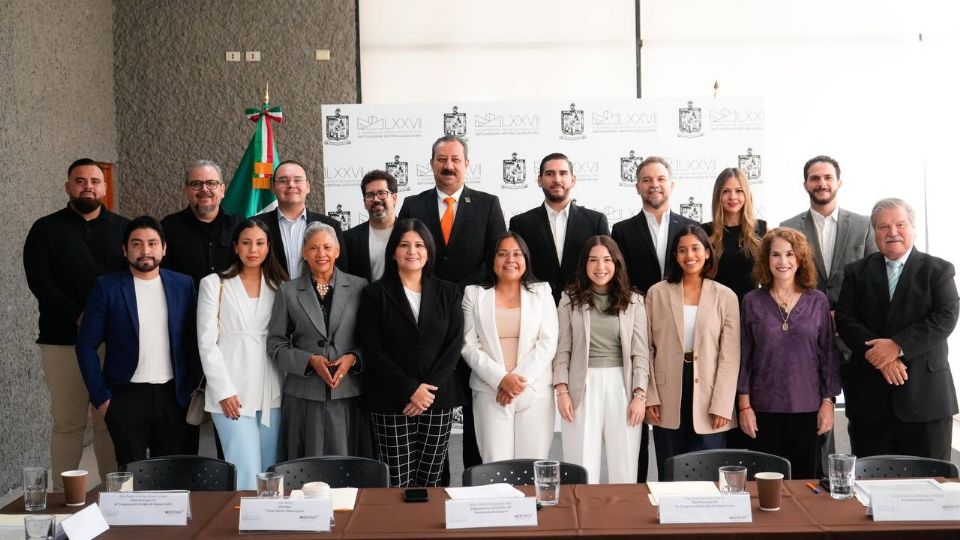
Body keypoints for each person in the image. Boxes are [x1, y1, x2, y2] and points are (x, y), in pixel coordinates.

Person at [396, 135, 506, 482]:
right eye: (441, 159)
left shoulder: (488, 204)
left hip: (474, 321)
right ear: (431, 164)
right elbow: (404, 255)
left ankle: (476, 480)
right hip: (427, 324)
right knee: (434, 405)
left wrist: (462, 295)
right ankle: (437, 483)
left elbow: (496, 262)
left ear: (467, 164)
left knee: (477, 405)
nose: (449, 166)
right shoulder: (414, 205)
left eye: (456, 159)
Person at [23, 158, 124, 489]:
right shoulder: (45, 229)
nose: (88, 186)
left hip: (112, 342)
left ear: (105, 187)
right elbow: (40, 281)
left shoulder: (124, 229)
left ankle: (114, 499)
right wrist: (77, 314)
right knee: (68, 424)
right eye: (80, 181)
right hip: (62, 339)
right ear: (68, 187)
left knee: (109, 421)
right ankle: (64, 499)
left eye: (95, 180)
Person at [836, 198, 959, 460]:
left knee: (931, 484)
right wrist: (882, 357)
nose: (892, 232)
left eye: (900, 224)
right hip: (870, 399)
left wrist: (897, 347)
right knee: (871, 486)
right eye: (883, 227)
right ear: (874, 233)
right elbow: (845, 319)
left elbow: (945, 317)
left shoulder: (937, 270)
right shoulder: (857, 272)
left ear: (913, 228)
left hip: (925, 398)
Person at [75, 216, 201, 467]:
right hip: (125, 397)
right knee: (130, 479)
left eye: (152, 243)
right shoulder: (106, 288)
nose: (145, 250)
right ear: (125, 250)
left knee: (174, 475)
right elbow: (86, 346)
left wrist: (191, 389)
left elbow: (194, 340)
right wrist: (102, 399)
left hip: (174, 396)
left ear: (164, 248)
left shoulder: (183, 285)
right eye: (137, 244)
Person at [780, 155, 876, 478]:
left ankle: (862, 484)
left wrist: (846, 316)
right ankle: (822, 486)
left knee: (862, 418)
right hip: (809, 345)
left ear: (839, 182)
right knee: (819, 422)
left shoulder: (864, 226)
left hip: (855, 343)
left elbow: (874, 281)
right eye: (814, 178)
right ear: (805, 183)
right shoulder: (789, 227)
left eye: (827, 178)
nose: (821, 183)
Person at [357, 219, 464, 487]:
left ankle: (428, 530)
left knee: (432, 479)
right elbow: (373, 348)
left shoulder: (448, 292)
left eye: (419, 245)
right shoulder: (374, 294)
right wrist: (409, 389)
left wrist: (426, 391)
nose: (412, 251)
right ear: (393, 251)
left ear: (428, 251)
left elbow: (453, 345)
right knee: (396, 480)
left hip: (436, 399)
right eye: (404, 245)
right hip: (391, 399)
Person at [610, 155, 696, 481]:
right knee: (640, 414)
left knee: (678, 418)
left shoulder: (691, 228)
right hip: (638, 328)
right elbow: (619, 280)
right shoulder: (621, 230)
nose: (654, 185)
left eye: (660, 179)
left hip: (682, 331)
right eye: (646, 179)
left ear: (671, 185)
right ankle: (639, 491)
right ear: (637, 187)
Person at [737, 228, 841, 479]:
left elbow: (828, 354)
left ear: (800, 259)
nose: (783, 262)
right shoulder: (752, 301)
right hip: (763, 410)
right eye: (776, 255)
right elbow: (743, 356)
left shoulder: (818, 301)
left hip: (808, 408)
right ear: (766, 260)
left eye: (789, 254)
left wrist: (828, 402)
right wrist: (744, 406)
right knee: (765, 487)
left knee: (806, 485)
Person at [197, 218, 288, 489]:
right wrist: (223, 390)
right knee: (245, 472)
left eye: (260, 243)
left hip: (272, 389)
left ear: (269, 247)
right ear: (235, 246)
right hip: (231, 391)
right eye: (246, 242)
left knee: (272, 472)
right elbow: (205, 341)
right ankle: (246, 527)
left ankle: (272, 527)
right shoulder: (214, 283)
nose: (253, 249)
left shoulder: (281, 285)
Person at [267, 222, 369, 460]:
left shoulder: (359, 286)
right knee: (306, 468)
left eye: (326, 247)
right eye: (313, 248)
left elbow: (373, 340)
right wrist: (309, 360)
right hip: (304, 394)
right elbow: (275, 344)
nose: (321, 254)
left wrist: (354, 358)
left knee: (348, 467)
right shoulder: (288, 291)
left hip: (348, 393)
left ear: (337, 251)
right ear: (304, 253)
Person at [645, 226, 739, 481]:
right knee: (670, 471)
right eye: (682, 250)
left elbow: (729, 357)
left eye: (696, 248)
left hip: (710, 394)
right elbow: (647, 349)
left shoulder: (725, 296)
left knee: (707, 474)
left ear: (707, 253)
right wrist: (650, 395)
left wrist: (723, 404)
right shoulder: (656, 293)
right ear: (675, 255)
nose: (690, 256)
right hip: (666, 393)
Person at [553, 236, 648, 484]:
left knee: (625, 465)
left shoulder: (634, 301)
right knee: (582, 464)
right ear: (585, 265)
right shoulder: (569, 299)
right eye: (593, 260)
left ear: (616, 263)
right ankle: (582, 519)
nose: (600, 267)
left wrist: (640, 396)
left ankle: (623, 520)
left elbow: (640, 353)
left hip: (622, 385)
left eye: (607, 260)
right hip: (581, 385)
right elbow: (562, 349)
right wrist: (561, 390)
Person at [461, 232, 558, 462]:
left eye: (517, 254)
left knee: (532, 467)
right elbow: (469, 345)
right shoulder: (474, 294)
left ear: (526, 258)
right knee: (495, 467)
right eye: (502, 254)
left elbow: (548, 342)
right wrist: (501, 379)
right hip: (490, 392)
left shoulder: (542, 292)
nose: (510, 260)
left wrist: (515, 382)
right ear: (492, 259)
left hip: (534, 391)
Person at [509, 153, 610, 305]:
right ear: (539, 180)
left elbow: (607, 266)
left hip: (585, 306)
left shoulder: (595, 221)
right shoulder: (521, 223)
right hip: (536, 307)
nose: (557, 179)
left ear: (573, 180)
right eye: (550, 174)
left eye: (563, 173)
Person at [161, 160, 243, 289]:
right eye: (196, 184)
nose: (204, 189)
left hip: (230, 306)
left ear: (222, 190)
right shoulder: (168, 227)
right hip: (187, 307)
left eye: (211, 183)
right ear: (186, 190)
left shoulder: (240, 226)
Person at [260, 160, 347, 279]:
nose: (291, 184)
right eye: (283, 180)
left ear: (308, 186)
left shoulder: (330, 225)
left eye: (297, 180)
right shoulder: (257, 225)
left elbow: (340, 271)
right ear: (273, 187)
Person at [701, 167, 766, 302]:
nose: (733, 197)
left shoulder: (761, 229)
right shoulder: (704, 232)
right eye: (726, 191)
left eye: (739, 191)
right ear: (718, 195)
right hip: (715, 308)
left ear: (746, 195)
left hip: (752, 309)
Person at [343, 169, 398, 281]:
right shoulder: (348, 239)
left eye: (382, 193)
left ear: (394, 198)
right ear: (364, 202)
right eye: (370, 195)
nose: (376, 199)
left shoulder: (410, 234)